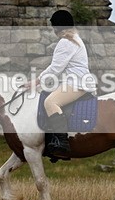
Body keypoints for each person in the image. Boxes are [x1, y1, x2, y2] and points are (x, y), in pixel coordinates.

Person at [27, 10, 96, 157]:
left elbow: (56, 68)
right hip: (75, 80)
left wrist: (37, 81)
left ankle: (62, 144)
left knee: (50, 102)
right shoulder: (75, 38)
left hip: (77, 83)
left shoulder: (66, 42)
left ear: (57, 27)